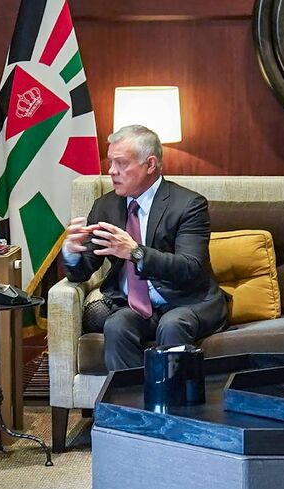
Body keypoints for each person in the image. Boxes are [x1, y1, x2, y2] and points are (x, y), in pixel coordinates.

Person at [61, 125, 228, 371]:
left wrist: (135, 252)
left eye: (121, 163)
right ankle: (129, 405)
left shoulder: (188, 205)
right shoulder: (105, 206)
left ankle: (174, 407)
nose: (111, 171)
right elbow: (82, 271)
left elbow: (190, 267)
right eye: (110, 163)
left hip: (187, 301)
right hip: (135, 306)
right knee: (117, 325)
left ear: (150, 164)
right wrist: (72, 253)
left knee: (172, 324)